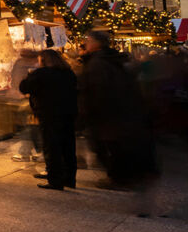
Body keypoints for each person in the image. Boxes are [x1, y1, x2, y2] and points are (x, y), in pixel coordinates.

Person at [79, 30, 154, 192]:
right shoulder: (115, 59)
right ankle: (124, 176)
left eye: (88, 40)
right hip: (123, 111)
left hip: (109, 113)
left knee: (110, 147)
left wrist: (90, 111)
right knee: (117, 146)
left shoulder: (98, 63)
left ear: (96, 43)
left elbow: (98, 90)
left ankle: (119, 179)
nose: (85, 43)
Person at [19, 49, 78, 190]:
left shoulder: (42, 73)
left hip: (49, 114)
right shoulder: (68, 73)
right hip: (68, 113)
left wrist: (29, 75)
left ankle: (55, 179)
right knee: (68, 146)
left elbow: (24, 87)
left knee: (52, 146)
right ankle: (70, 178)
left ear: (44, 60)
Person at [8, 48, 41, 163]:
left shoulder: (21, 64)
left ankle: (28, 152)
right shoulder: (36, 63)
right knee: (31, 126)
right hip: (28, 98)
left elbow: (17, 81)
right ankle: (31, 151)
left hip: (25, 99)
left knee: (28, 126)